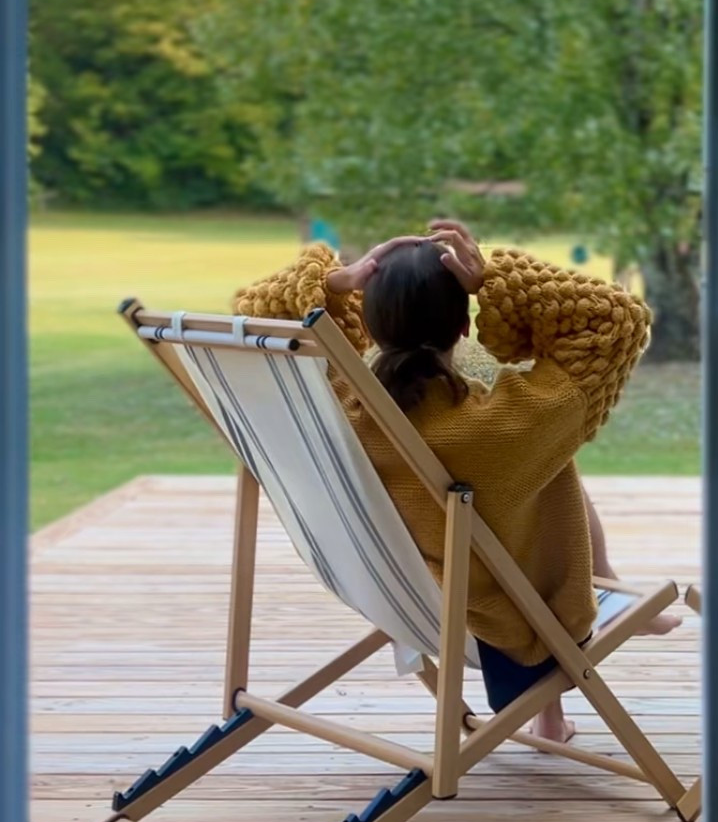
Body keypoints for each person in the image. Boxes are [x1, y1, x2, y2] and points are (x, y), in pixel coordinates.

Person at [233, 221, 679, 743]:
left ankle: (552, 710)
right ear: (464, 327)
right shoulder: (502, 426)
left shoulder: (336, 406)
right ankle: (602, 594)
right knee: (546, 452)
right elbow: (616, 317)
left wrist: (335, 282)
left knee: (533, 462)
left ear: (370, 324)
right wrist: (495, 278)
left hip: (404, 590)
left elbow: (252, 314)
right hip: (510, 618)